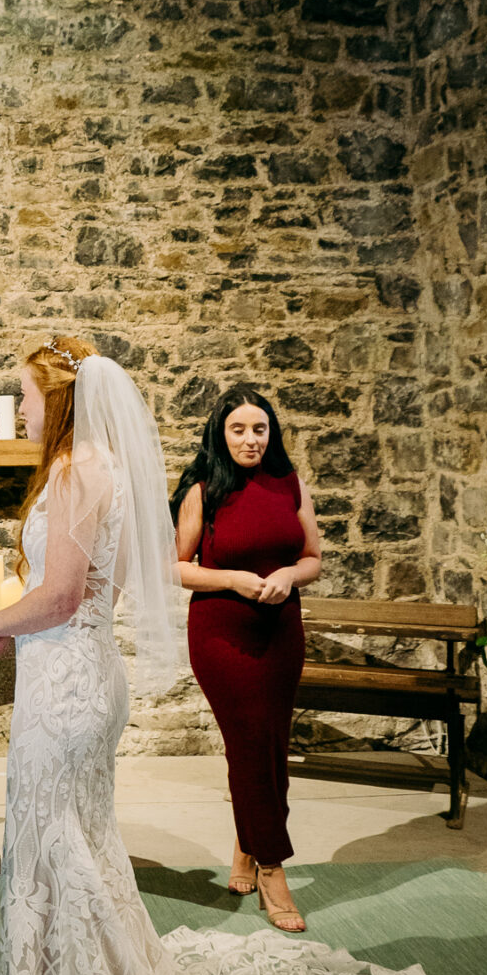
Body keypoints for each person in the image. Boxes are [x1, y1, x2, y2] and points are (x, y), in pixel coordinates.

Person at [0, 338, 487, 975]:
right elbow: (111, 585)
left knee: (59, 849)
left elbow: (61, 593)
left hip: (62, 685)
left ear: (56, 399)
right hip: (88, 674)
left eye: (24, 395)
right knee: (80, 848)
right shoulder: (111, 472)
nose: (20, 408)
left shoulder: (71, 473)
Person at [172, 388, 322, 934]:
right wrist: (233, 578)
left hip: (281, 629)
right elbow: (174, 567)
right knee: (249, 740)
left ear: (271, 433)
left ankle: (245, 845)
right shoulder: (202, 489)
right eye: (238, 429)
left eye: (259, 429)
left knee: (271, 743)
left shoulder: (290, 483)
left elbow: (313, 558)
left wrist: (287, 575)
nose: (250, 440)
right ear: (221, 433)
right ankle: (273, 870)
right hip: (221, 632)